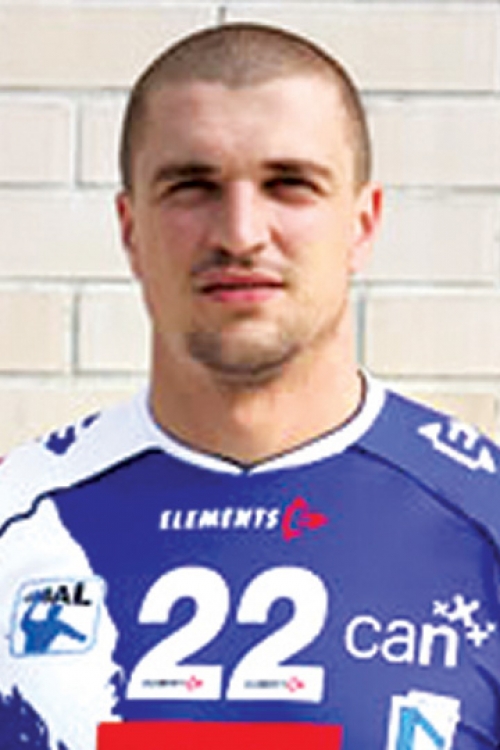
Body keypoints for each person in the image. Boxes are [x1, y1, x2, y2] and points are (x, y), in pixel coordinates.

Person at [1, 21, 500, 750]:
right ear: (130, 229)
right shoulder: (17, 519)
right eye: (192, 186)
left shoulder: (483, 519)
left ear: (362, 224)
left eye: (290, 184)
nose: (239, 233)